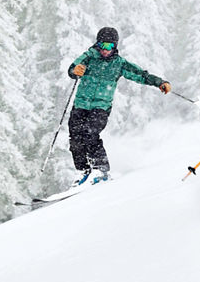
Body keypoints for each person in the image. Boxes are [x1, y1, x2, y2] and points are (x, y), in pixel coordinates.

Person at [67, 27, 171, 186]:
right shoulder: (89, 57)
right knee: (75, 137)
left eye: (109, 46)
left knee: (90, 132)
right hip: (80, 105)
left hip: (100, 107)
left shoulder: (119, 64)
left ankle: (100, 170)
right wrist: (76, 71)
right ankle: (84, 172)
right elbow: (72, 70)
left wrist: (159, 83)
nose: (105, 50)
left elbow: (141, 75)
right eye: (102, 45)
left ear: (115, 46)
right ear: (97, 44)